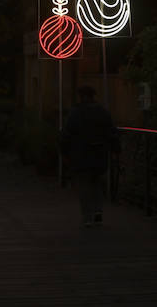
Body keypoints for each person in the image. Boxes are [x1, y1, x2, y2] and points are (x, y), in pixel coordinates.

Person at [60, 85, 119, 227]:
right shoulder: (103, 112)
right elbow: (112, 132)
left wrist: (64, 152)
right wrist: (116, 150)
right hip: (99, 153)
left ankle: (87, 216)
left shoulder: (75, 113)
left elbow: (66, 134)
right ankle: (98, 210)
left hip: (81, 154)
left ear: (81, 96)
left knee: (84, 185)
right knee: (97, 182)